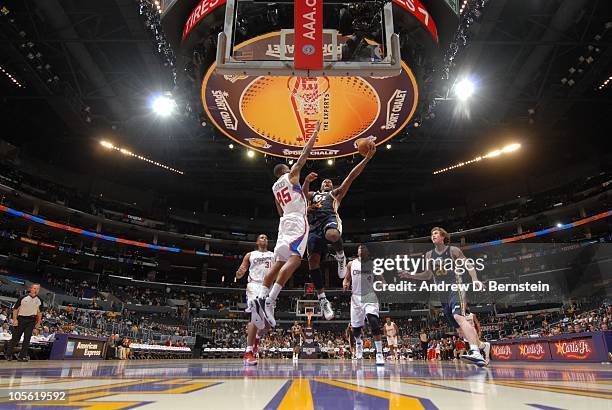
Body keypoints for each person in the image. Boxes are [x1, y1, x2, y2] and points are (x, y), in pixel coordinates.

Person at [252, 122, 320, 328]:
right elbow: (305, 153)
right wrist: (315, 133)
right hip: (297, 222)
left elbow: (280, 211)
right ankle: (271, 299)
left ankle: (262, 295)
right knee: (296, 260)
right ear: (285, 169)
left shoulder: (274, 187)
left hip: (283, 223)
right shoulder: (291, 175)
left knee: (279, 263)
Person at [301, 144, 376, 320]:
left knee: (333, 235)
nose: (327, 182)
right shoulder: (313, 195)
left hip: (330, 221)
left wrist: (366, 158)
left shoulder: (335, 194)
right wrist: (306, 182)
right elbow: (303, 196)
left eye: (329, 182)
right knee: (313, 263)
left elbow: (351, 177)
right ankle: (322, 299)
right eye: (324, 182)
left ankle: (341, 255)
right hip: (313, 227)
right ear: (320, 186)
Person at [400, 227, 486, 366]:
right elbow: (428, 274)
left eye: (435, 233)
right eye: (431, 234)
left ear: (443, 237)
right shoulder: (429, 255)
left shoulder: (453, 251)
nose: (432, 235)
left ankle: (475, 352)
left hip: (455, 286)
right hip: (442, 293)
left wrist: (475, 279)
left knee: (459, 317)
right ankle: (482, 345)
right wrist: (411, 275)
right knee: (459, 329)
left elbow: (468, 264)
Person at [236, 234, 274, 365]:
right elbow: (242, 270)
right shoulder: (250, 255)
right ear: (257, 241)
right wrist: (239, 273)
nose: (264, 239)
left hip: (268, 287)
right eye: (262, 237)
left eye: (266, 238)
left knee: (268, 324)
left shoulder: (274, 255)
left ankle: (257, 338)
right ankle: (248, 351)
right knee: (255, 315)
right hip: (254, 285)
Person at [343, 244, 385, 366]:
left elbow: (381, 279)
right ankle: (359, 346)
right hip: (355, 297)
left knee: (374, 322)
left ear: (368, 252)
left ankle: (379, 353)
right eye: (359, 248)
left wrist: (382, 284)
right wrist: (345, 284)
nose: (361, 250)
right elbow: (346, 279)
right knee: (356, 329)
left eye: (364, 248)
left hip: (369, 295)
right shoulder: (351, 264)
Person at [6, 284, 43, 362]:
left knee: (27, 339)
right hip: (21, 319)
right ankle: (8, 354)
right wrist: (15, 320)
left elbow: (39, 313)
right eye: (34, 288)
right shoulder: (23, 298)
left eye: (37, 289)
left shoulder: (39, 300)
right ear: (31, 289)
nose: (36, 290)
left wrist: (38, 323)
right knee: (16, 338)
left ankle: (21, 356)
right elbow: (15, 309)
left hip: (31, 320)